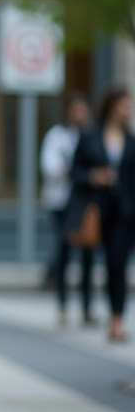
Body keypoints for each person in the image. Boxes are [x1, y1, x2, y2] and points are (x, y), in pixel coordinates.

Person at [67, 85, 134, 343]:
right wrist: (94, 177)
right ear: (111, 105)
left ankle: (116, 319)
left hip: (125, 213)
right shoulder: (90, 136)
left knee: (117, 264)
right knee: (89, 261)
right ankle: (87, 310)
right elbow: (74, 173)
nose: (126, 110)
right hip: (95, 209)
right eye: (123, 104)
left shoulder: (130, 140)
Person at [41, 93, 95, 327]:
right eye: (75, 109)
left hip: (85, 202)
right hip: (61, 201)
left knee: (88, 254)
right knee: (63, 251)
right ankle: (63, 306)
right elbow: (50, 166)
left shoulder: (91, 135)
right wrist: (73, 171)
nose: (79, 114)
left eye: (82, 109)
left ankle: (87, 308)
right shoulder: (57, 136)